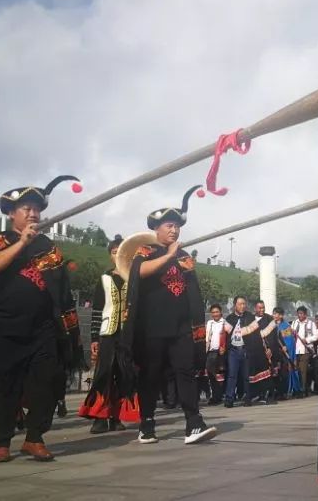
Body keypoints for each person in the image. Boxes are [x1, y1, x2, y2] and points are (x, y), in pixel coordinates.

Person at [0, 175, 84, 463]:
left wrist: (68, 330)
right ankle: (2, 441)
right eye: (26, 209)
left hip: (43, 328)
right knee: (2, 385)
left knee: (46, 382)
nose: (33, 214)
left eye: (36, 209)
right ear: (11, 213)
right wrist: (22, 243)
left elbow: (62, 289)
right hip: (4, 327)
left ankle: (34, 438)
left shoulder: (48, 247)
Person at [121, 185, 217, 445]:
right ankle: (147, 423)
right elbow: (137, 274)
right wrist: (170, 256)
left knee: (186, 371)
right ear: (157, 229)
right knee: (151, 375)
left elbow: (192, 291)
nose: (173, 230)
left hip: (181, 328)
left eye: (176, 226)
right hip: (152, 328)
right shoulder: (146, 251)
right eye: (168, 226)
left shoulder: (185, 257)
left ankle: (193, 423)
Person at [78, 235, 141, 434]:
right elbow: (97, 310)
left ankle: (116, 417)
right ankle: (98, 417)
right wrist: (95, 338)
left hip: (127, 336)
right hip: (107, 332)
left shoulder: (135, 278)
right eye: (114, 253)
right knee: (103, 374)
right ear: (110, 256)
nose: (118, 255)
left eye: (121, 252)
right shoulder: (104, 279)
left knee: (124, 375)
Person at [223, 296, 271, 407]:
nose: (242, 306)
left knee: (246, 376)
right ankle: (229, 399)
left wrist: (263, 349)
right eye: (240, 304)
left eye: (244, 304)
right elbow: (225, 337)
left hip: (246, 350)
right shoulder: (229, 318)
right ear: (235, 305)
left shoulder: (250, 317)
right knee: (232, 375)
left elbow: (256, 336)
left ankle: (247, 398)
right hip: (233, 351)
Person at [255, 300, 283, 404]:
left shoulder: (269, 319)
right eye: (260, 308)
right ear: (255, 308)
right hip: (257, 351)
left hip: (268, 350)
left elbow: (273, 337)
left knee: (270, 374)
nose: (262, 310)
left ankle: (270, 394)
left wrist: (270, 348)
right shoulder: (251, 320)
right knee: (259, 373)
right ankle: (260, 394)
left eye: (263, 307)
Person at [204, 303, 228, 405]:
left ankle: (222, 395)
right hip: (210, 352)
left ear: (220, 312)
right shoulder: (210, 323)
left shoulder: (225, 323)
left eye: (217, 312)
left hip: (221, 352)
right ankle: (215, 396)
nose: (215, 314)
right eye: (213, 312)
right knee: (211, 375)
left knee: (221, 375)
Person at [291, 306, 317, 398]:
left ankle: (303, 390)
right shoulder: (294, 323)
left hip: (305, 350)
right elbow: (290, 334)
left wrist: (307, 340)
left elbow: (316, 336)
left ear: (305, 314)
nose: (300, 315)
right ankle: (298, 389)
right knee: (296, 370)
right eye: (298, 313)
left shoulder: (311, 324)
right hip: (295, 350)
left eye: (301, 313)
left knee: (303, 371)